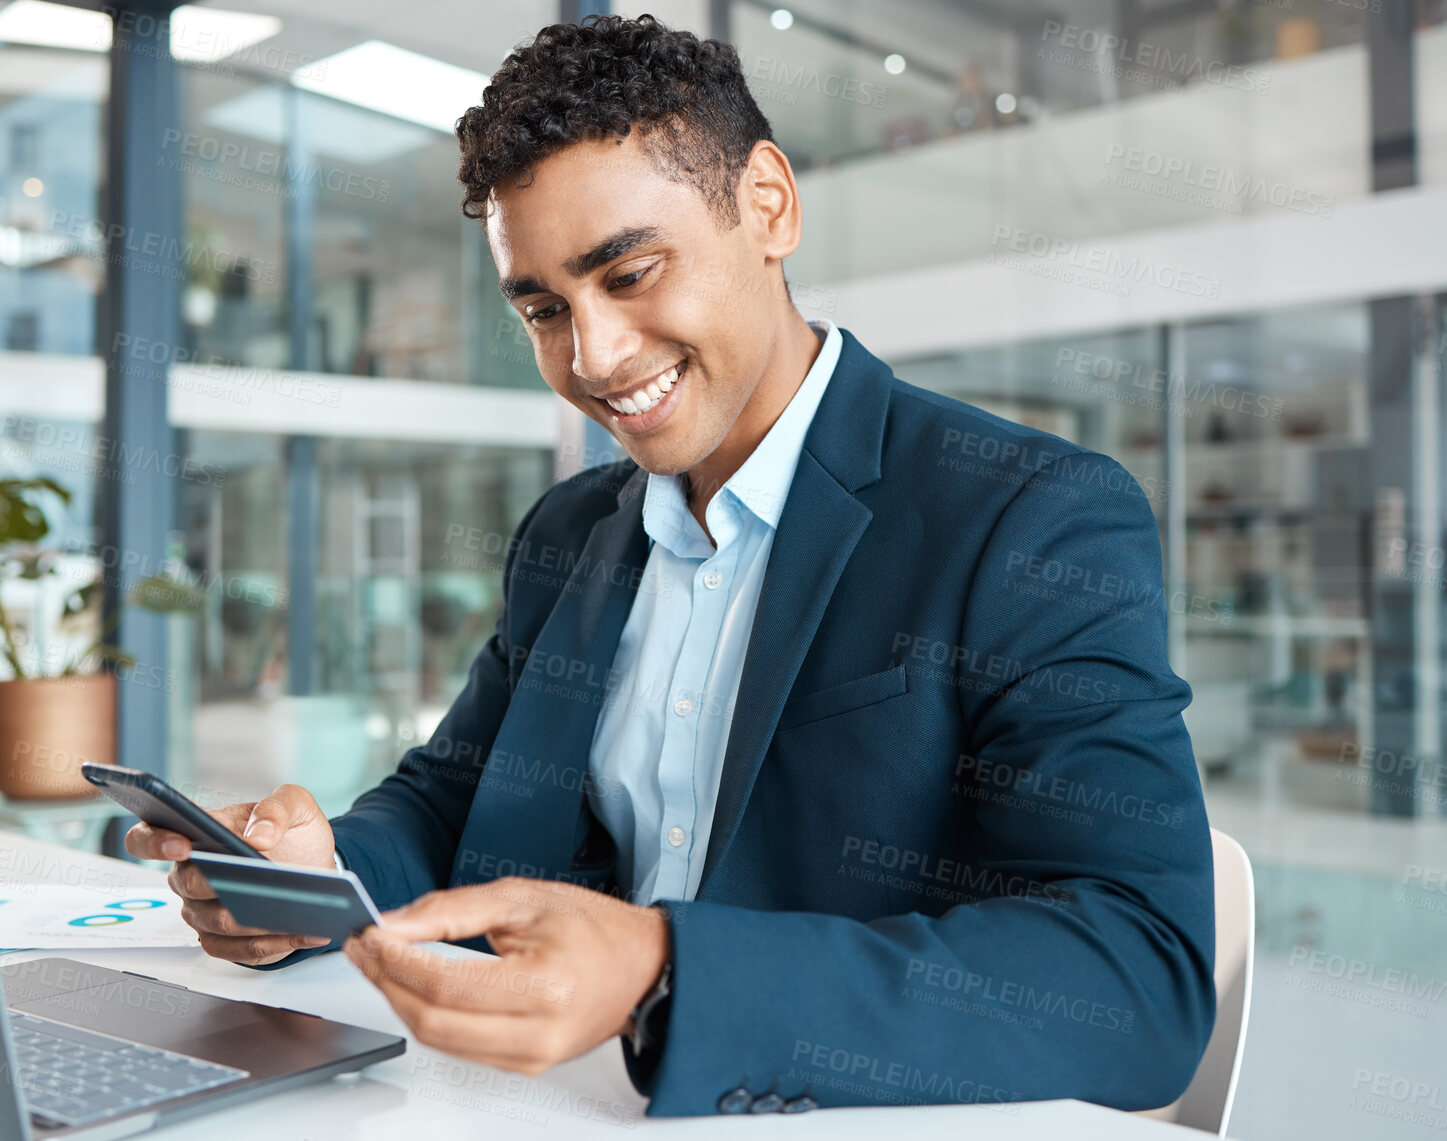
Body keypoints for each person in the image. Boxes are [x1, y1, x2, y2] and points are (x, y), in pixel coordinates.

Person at [127, 13, 1215, 1118]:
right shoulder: (570, 533)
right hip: (542, 1103)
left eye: (631, 272)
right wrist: (320, 882)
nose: (591, 358)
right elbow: (456, 796)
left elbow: (1134, 974)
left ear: (768, 205)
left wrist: (662, 967)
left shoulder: (1024, 516)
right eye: (543, 309)